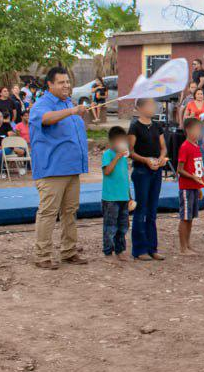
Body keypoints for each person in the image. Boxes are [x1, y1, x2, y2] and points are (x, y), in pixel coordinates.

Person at [27, 66, 90, 269]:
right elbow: (44, 120)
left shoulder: (66, 103)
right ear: (50, 84)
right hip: (52, 169)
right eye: (62, 82)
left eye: (68, 82)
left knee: (70, 211)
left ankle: (68, 251)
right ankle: (42, 255)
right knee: (48, 212)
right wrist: (72, 110)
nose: (66, 85)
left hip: (71, 169)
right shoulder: (42, 104)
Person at [128, 97, 168, 261]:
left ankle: (153, 247)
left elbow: (163, 147)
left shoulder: (157, 126)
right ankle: (139, 249)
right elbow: (130, 151)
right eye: (150, 105)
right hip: (142, 171)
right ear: (140, 108)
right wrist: (146, 160)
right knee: (141, 209)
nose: (153, 108)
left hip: (155, 171)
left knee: (152, 210)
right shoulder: (134, 127)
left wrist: (160, 158)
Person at [101, 126, 134, 263]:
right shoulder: (108, 154)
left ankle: (120, 250)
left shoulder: (124, 157)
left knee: (123, 226)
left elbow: (125, 177)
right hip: (110, 198)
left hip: (123, 197)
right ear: (112, 142)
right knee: (110, 226)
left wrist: (129, 195)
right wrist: (117, 156)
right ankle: (108, 252)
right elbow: (107, 171)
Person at [176, 117, 204, 256]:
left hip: (195, 187)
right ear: (188, 130)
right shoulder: (185, 147)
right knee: (185, 217)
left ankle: (188, 245)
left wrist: (199, 182)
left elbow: (196, 166)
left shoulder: (196, 146)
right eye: (196, 129)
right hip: (186, 187)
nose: (199, 132)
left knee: (191, 217)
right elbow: (180, 169)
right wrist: (193, 177)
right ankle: (183, 248)